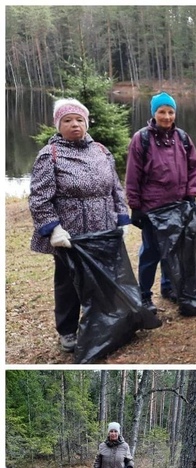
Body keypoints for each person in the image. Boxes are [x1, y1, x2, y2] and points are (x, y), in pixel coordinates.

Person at [28, 98, 131, 353]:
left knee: (103, 278)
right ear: (58, 124)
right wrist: (53, 229)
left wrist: (122, 217)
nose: (74, 124)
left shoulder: (101, 151)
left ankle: (102, 323)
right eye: (67, 120)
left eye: (79, 120)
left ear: (86, 123)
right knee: (68, 284)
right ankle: (67, 332)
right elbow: (39, 198)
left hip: (103, 231)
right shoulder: (49, 155)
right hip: (70, 235)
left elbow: (115, 187)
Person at [125, 91, 196, 313]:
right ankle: (144, 295)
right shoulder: (142, 139)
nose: (166, 116)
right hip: (152, 208)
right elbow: (133, 175)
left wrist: (191, 193)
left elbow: (195, 167)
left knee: (173, 250)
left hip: (178, 205)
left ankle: (168, 287)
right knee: (151, 252)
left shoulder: (183, 138)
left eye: (170, 112)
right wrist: (135, 206)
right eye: (162, 112)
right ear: (154, 113)